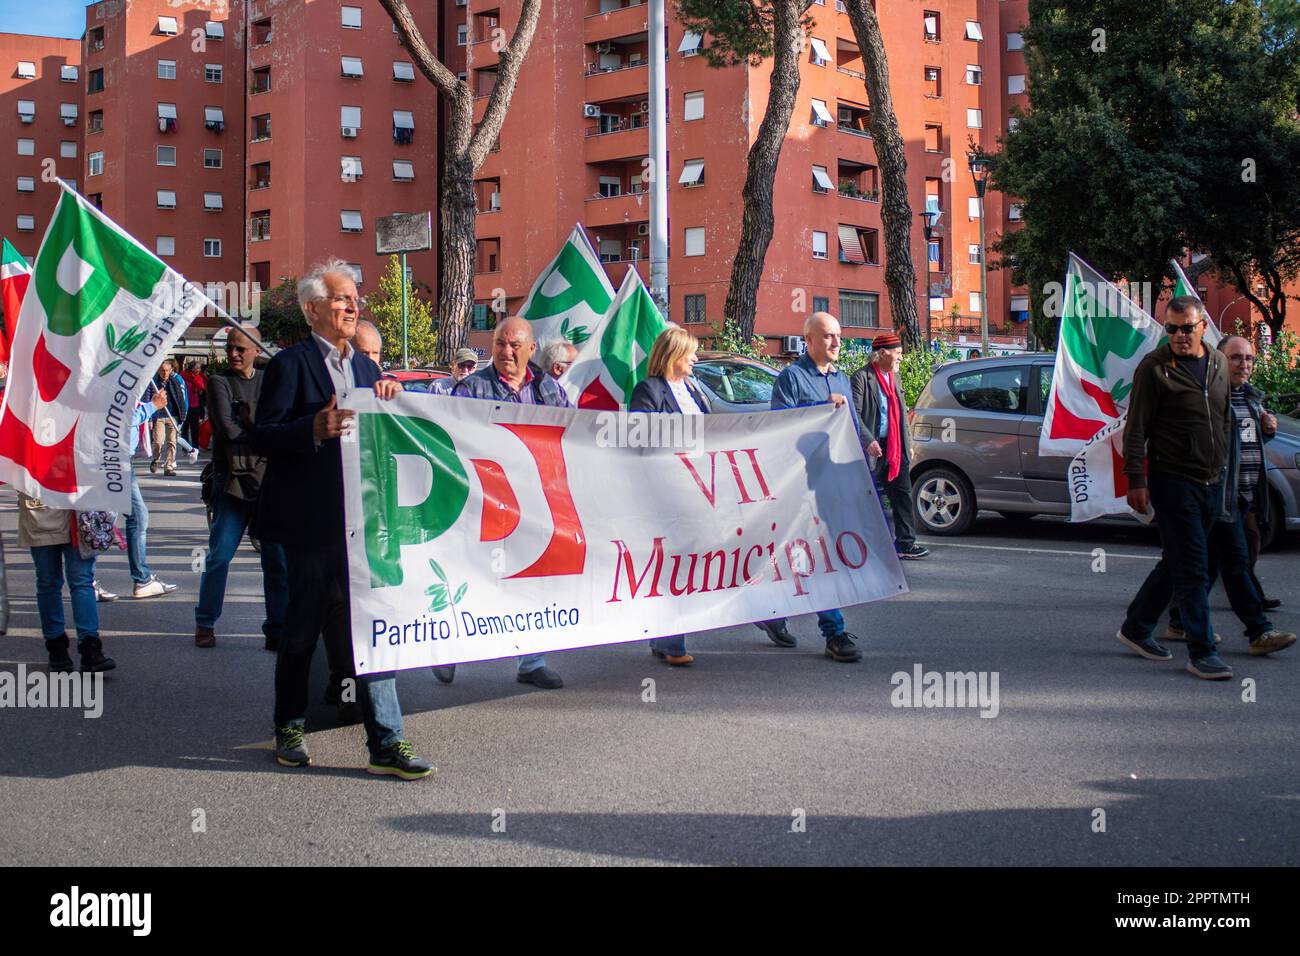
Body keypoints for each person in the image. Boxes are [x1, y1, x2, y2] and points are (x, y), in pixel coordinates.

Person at [253, 257, 432, 778]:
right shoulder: (291, 363)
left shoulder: (367, 367)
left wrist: (393, 400)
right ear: (313, 309)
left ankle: (386, 744)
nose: (353, 306)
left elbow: (386, 435)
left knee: (375, 625)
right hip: (313, 525)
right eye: (341, 298)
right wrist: (312, 426)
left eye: (355, 298)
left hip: (366, 522)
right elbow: (261, 434)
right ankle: (289, 725)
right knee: (303, 631)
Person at [1117, 296, 1252, 680]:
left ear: (1202, 327)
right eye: (1171, 328)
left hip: (1212, 480)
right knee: (1193, 568)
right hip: (1171, 480)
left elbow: (1225, 418)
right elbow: (1137, 428)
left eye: (1185, 328)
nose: (1178, 335)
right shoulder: (1154, 368)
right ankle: (1201, 651)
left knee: (1177, 560)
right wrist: (1136, 480)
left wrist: (1224, 466)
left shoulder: (1219, 364)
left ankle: (1136, 627)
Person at [440, 316, 570, 689]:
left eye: (515, 345)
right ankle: (446, 650)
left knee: (532, 581)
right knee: (468, 578)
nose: (506, 352)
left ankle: (531, 661)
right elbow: (451, 440)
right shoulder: (471, 390)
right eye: (500, 344)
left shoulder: (549, 391)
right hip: (482, 502)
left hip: (533, 506)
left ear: (532, 350)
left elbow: (573, 435)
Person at [1161, 334, 1295, 656]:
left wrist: (1267, 430)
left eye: (1248, 358)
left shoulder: (1249, 398)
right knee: (1235, 561)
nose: (1244, 364)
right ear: (1219, 360)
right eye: (1236, 358)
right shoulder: (1211, 397)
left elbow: (1246, 446)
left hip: (1242, 495)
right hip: (1218, 496)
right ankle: (1258, 630)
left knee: (1207, 563)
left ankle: (1172, 620)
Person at [753, 312, 865, 663]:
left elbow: (852, 423)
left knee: (806, 555)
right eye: (829, 336)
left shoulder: (842, 378)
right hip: (799, 486)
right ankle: (834, 632)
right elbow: (780, 427)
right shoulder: (792, 378)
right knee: (818, 555)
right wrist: (822, 407)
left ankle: (771, 612)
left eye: (839, 336)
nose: (836, 343)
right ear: (810, 340)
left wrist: (869, 445)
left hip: (834, 482)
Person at [193, 326, 288, 653]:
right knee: (219, 556)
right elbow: (228, 428)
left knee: (276, 559)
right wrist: (260, 428)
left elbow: (277, 424)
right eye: (230, 348)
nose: (233, 354)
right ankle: (205, 621)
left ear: (256, 351)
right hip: (230, 481)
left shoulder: (267, 380)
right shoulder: (218, 382)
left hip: (268, 481)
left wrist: (254, 425)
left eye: (240, 349)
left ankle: (277, 628)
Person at [629, 326, 712, 666]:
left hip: (696, 487)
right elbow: (638, 433)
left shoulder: (692, 389)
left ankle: (663, 636)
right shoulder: (648, 390)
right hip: (663, 488)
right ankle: (671, 640)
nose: (695, 358)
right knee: (672, 564)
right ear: (674, 355)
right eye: (691, 352)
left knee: (689, 562)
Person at [851, 332, 929, 560]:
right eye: (898, 354)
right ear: (882, 354)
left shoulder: (894, 378)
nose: (900, 358)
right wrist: (868, 441)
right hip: (872, 448)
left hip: (895, 447)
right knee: (869, 498)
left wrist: (909, 444)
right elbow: (854, 415)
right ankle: (865, 545)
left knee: (902, 496)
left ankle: (905, 543)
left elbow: (902, 414)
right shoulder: (861, 378)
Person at [19, 493, 115, 673]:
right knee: (52, 582)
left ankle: (88, 646)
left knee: (79, 581)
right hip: (44, 506)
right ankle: (58, 647)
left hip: (78, 509)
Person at [150, 359, 187, 476]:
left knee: (172, 442)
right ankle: (155, 459)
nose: (164, 373)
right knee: (158, 442)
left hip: (173, 416)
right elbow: (147, 399)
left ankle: (169, 466)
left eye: (167, 370)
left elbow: (181, 399)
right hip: (159, 416)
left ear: (171, 370)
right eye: (162, 371)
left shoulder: (175, 382)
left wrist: (182, 416)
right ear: (159, 371)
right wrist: (150, 418)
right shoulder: (154, 383)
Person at [181, 360, 207, 447]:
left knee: (195, 429)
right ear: (192, 368)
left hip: (196, 406)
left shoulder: (200, 377)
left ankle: (195, 447)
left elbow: (203, 390)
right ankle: (186, 447)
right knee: (185, 428)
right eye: (198, 367)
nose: (199, 369)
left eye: (200, 368)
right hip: (185, 406)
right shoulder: (183, 376)